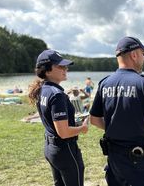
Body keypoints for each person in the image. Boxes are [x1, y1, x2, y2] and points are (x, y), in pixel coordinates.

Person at [90, 36, 144, 186]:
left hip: (114, 159)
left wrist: (116, 127)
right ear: (134, 55)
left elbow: (94, 119)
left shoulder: (105, 83)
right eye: (143, 54)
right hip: (139, 160)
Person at [28, 49, 88, 186]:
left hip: (51, 148)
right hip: (65, 151)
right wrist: (82, 128)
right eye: (60, 66)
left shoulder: (43, 89)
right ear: (47, 71)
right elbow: (64, 132)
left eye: (65, 66)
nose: (65, 69)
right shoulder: (57, 95)